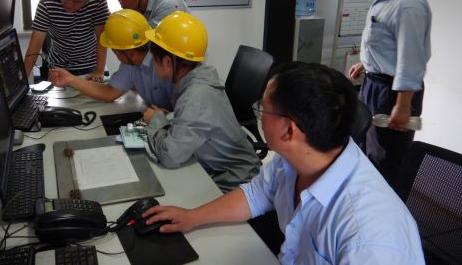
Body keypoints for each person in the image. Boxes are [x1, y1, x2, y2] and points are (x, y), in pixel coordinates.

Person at [144, 62, 425, 264]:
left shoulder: (369, 237)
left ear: (289, 131)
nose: (260, 114)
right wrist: (192, 217)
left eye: (263, 108)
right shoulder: (295, 161)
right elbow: (256, 194)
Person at [142, 11, 261, 192]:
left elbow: (170, 157)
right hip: (219, 169)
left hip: (235, 181)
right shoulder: (199, 80)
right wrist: (173, 117)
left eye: (154, 60)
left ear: (167, 62)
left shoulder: (195, 96)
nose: (153, 64)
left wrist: (156, 119)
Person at [348, 0, 432, 187]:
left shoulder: (407, 5)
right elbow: (387, 44)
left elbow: (411, 58)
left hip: (393, 92)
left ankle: (386, 205)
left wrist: (403, 105)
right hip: (375, 84)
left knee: (385, 156)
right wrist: (366, 63)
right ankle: (364, 198)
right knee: (365, 144)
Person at [48, 9, 173, 109]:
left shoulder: (165, 64)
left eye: (114, 51)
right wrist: (70, 79)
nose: (116, 56)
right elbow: (109, 93)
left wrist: (161, 117)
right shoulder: (130, 64)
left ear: (130, 54)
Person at [24, 0, 110, 81]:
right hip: (58, 67)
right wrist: (23, 83)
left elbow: (102, 37)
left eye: (76, 1)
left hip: (90, 65)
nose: (69, 5)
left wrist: (99, 71)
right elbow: (34, 46)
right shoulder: (46, 4)